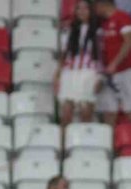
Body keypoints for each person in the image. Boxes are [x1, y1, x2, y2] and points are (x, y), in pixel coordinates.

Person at [94, 0, 131, 126]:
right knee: (109, 111)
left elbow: (128, 43)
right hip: (109, 74)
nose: (95, 9)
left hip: (127, 71)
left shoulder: (123, 17)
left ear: (103, 4)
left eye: (96, 5)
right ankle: (109, 144)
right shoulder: (103, 24)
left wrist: (115, 63)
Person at [55, 0, 100, 128]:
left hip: (90, 73)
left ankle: (83, 145)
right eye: (78, 8)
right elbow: (64, 54)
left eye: (85, 8)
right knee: (66, 114)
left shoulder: (99, 30)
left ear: (91, 11)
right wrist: (57, 74)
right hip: (69, 72)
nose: (81, 11)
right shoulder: (69, 30)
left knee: (86, 113)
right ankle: (63, 146)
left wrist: (100, 77)